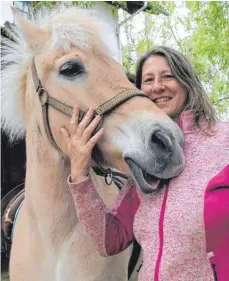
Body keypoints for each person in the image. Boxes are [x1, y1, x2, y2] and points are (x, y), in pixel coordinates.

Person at [60, 46, 229, 281]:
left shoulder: (224, 141)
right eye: (148, 80)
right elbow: (109, 239)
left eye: (168, 76)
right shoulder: (143, 159)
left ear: (187, 81)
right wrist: (79, 174)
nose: (157, 86)